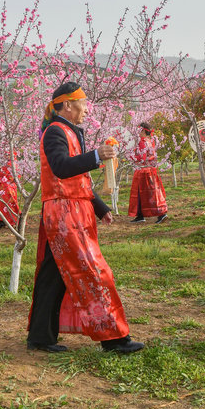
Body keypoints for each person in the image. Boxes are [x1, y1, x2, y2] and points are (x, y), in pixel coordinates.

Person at [27, 82, 144, 354]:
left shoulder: (68, 131)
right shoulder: (55, 132)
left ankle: (40, 336)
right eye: (82, 103)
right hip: (65, 215)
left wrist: (99, 207)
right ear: (67, 104)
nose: (85, 109)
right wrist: (95, 156)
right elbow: (61, 168)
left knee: (53, 274)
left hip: (72, 211)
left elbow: (78, 179)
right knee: (93, 270)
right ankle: (113, 339)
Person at [128, 122, 168, 224]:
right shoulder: (150, 141)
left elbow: (142, 158)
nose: (138, 133)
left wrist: (132, 157)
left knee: (143, 193)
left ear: (143, 131)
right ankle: (141, 215)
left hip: (143, 170)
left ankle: (161, 214)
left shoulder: (142, 142)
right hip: (150, 170)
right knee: (151, 192)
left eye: (139, 130)